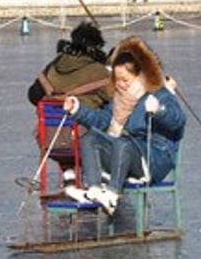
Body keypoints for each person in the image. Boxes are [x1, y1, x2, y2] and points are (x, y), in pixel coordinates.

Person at [63, 37, 185, 216]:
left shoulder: (159, 93)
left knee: (123, 143)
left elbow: (178, 121)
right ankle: (94, 190)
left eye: (125, 80)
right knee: (90, 138)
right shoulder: (119, 99)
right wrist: (77, 109)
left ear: (139, 75)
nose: (120, 84)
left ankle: (112, 194)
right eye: (117, 79)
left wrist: (159, 110)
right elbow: (102, 121)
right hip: (126, 152)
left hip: (154, 160)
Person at [26, 22, 113, 186]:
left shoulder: (52, 66)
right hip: (83, 142)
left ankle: (69, 171)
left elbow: (33, 95)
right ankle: (102, 174)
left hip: (49, 141)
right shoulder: (98, 71)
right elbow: (117, 99)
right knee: (110, 114)